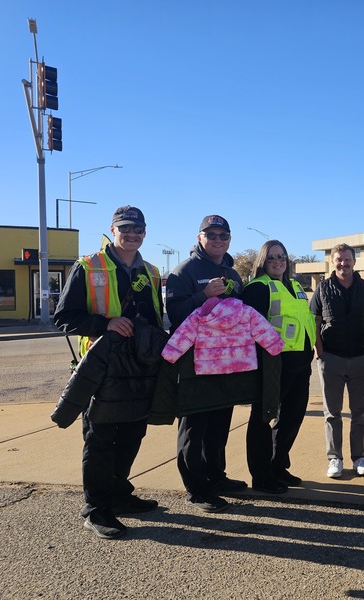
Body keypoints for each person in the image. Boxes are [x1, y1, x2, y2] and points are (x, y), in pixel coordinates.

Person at [53, 205, 164, 540]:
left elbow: (158, 317)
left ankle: (119, 494)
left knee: (133, 432)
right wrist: (106, 323)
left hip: (141, 364)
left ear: (145, 232)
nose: (132, 235)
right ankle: (96, 509)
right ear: (112, 230)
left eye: (138, 229)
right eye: (125, 228)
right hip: (103, 366)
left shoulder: (152, 270)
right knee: (100, 437)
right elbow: (64, 317)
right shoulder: (88, 266)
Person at [165, 215, 248, 513]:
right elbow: (174, 315)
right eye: (210, 234)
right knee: (194, 425)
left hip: (227, 362)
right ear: (199, 237)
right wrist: (202, 295)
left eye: (223, 235)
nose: (217, 240)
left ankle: (216, 476)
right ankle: (196, 489)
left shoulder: (232, 272)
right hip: (195, 363)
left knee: (219, 423)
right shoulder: (184, 271)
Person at [242, 240, 316, 491]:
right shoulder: (257, 288)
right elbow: (249, 329)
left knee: (291, 417)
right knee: (263, 419)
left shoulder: (295, 286)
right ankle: (261, 477)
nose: (278, 261)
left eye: (282, 256)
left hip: (301, 362)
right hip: (273, 364)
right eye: (272, 257)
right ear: (263, 261)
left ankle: (277, 466)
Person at [310, 243, 364, 479]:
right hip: (332, 359)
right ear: (333, 262)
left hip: (362, 359)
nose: (343, 263)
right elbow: (315, 321)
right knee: (332, 413)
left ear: (354, 261)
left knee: (360, 414)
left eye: (347, 259)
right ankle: (334, 458)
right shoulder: (323, 288)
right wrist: (320, 351)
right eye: (339, 259)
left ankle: (359, 457)